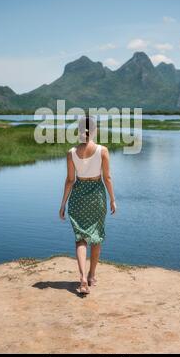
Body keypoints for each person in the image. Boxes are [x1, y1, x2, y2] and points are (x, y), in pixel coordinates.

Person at [59, 115, 116, 294]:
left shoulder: (71, 152)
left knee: (81, 239)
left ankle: (82, 277)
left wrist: (63, 204)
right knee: (96, 237)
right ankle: (91, 276)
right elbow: (107, 177)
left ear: (79, 131)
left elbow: (70, 180)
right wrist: (113, 199)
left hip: (78, 197)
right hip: (97, 195)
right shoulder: (102, 150)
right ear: (94, 130)